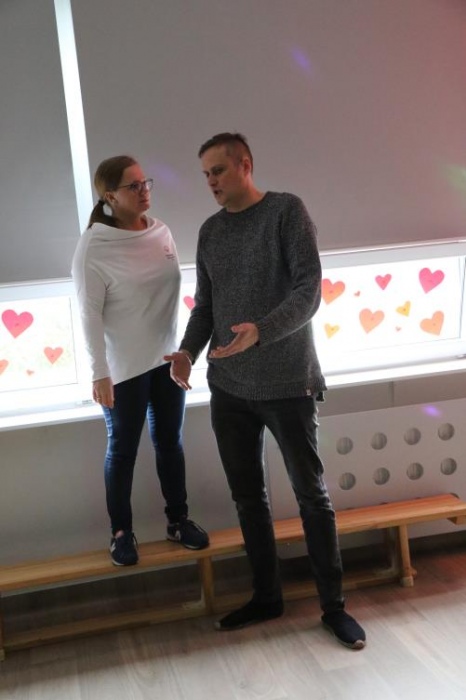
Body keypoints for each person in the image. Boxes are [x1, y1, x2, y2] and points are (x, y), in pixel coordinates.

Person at [164, 133, 366, 649]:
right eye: (205, 174)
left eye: (218, 171)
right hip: (229, 388)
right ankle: (266, 596)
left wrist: (262, 330)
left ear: (245, 165)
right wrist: (187, 351)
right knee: (248, 498)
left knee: (311, 496)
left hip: (288, 382)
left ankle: (334, 607)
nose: (210, 182)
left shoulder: (285, 213)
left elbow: (309, 292)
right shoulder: (210, 232)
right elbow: (206, 307)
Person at [72, 155, 209, 567]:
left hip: (166, 361)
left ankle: (178, 520)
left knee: (170, 442)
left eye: (145, 182)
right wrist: (99, 373)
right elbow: (88, 315)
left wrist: (184, 352)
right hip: (122, 370)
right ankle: (121, 533)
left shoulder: (160, 231)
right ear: (110, 196)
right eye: (133, 186)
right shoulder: (93, 247)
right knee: (123, 450)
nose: (144, 190)